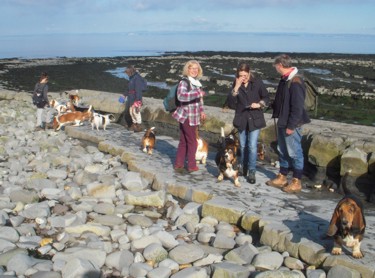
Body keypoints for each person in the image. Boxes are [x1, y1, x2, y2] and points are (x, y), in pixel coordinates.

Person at [266, 54, 311, 193]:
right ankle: (282, 176)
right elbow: (282, 100)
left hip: (291, 123)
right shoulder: (285, 80)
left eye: (275, 66)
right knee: (282, 149)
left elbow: (297, 107)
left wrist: (291, 126)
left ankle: (296, 181)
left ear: (280, 65)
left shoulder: (295, 81)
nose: (275, 69)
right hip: (282, 120)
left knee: (295, 152)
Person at [225, 62, 269, 184]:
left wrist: (259, 104)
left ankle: (252, 171)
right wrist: (236, 88)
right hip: (241, 119)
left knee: (252, 146)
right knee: (243, 146)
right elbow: (230, 103)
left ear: (249, 73)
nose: (243, 78)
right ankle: (243, 166)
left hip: (255, 119)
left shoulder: (258, 83)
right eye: (241, 75)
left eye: (245, 75)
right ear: (237, 75)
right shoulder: (236, 84)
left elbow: (266, 98)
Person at [173, 60, 206, 173]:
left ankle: (179, 164)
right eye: (192, 68)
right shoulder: (184, 82)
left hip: (193, 116)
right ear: (187, 69)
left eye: (196, 68)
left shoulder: (196, 82)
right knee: (193, 141)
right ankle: (191, 165)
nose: (194, 70)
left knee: (184, 141)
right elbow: (181, 96)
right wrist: (198, 93)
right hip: (187, 116)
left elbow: (199, 101)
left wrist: (202, 111)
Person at [123, 65, 147, 133]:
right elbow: (128, 88)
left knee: (136, 112)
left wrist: (138, 101)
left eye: (127, 73)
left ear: (130, 72)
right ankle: (134, 125)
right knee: (131, 112)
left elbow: (138, 90)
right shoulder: (131, 78)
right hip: (131, 98)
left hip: (135, 98)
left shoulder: (137, 78)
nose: (127, 74)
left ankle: (139, 126)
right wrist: (124, 95)